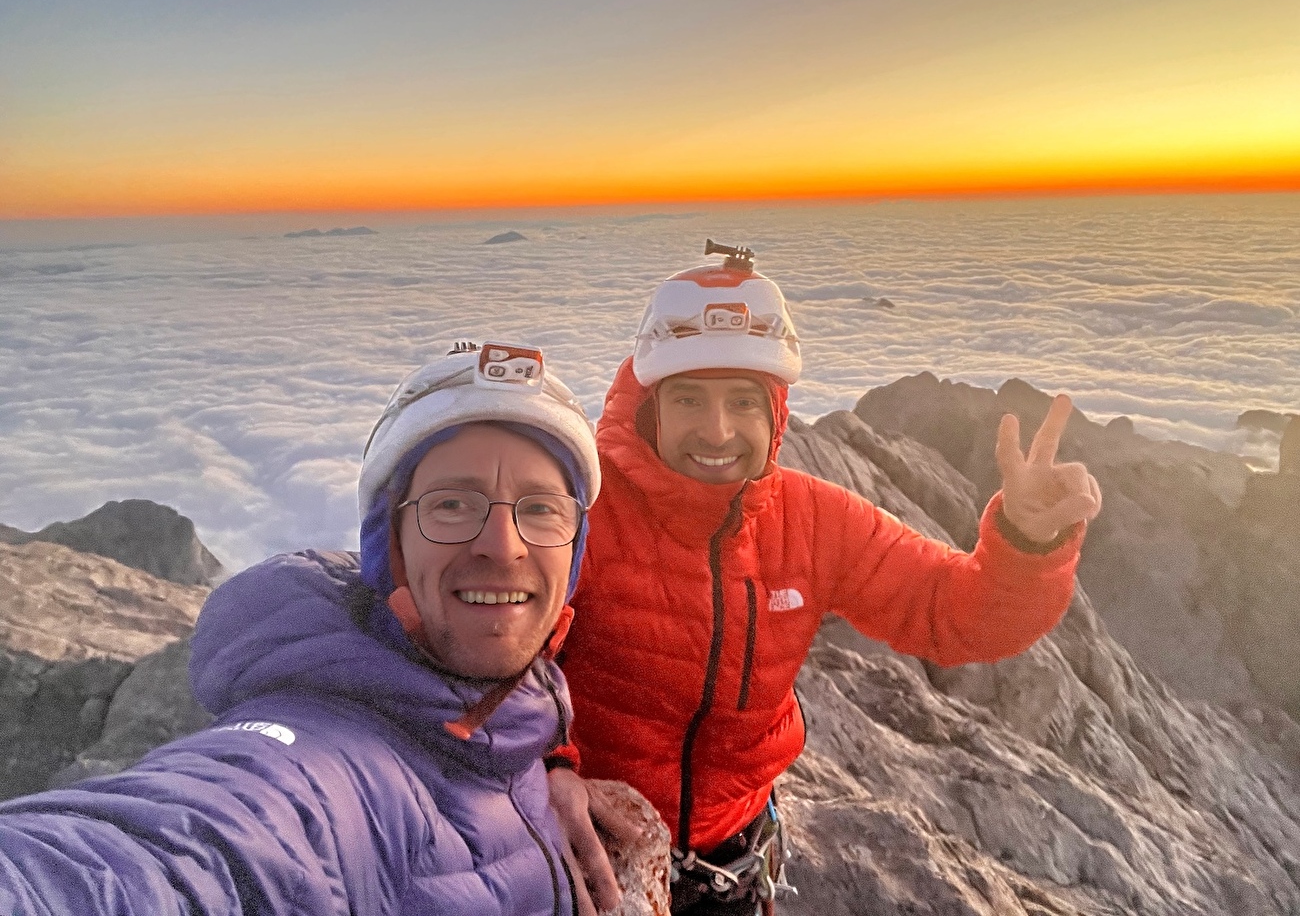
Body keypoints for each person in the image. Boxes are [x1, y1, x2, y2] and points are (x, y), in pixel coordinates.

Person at [547, 241, 1103, 915]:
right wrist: (549, 767)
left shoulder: (809, 520)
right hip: (584, 858)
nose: (717, 430)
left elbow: (952, 611)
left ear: (775, 413)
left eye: (743, 403)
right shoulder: (585, 512)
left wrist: (1025, 541)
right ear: (650, 406)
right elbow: (490, 655)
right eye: (689, 398)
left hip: (735, 866)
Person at [0, 340, 607, 916]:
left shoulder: (506, 723)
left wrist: (554, 768)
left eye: (541, 509)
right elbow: (193, 846)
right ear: (387, 545)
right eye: (451, 504)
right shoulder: (332, 760)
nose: (503, 547)